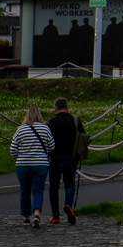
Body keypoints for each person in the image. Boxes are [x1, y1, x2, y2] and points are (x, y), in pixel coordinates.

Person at [10, 106, 55, 227]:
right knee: (38, 190)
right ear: (39, 115)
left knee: (25, 190)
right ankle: (36, 214)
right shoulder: (45, 128)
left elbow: (13, 149)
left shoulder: (20, 129)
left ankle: (25, 217)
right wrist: (45, 156)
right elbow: (52, 146)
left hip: (23, 165)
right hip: (40, 164)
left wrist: (18, 160)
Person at [45, 97, 87, 226]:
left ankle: (55, 216)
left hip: (55, 158)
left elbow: (46, 140)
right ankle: (68, 205)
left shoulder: (50, 123)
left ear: (55, 109)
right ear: (67, 108)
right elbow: (83, 136)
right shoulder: (75, 120)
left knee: (54, 186)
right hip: (71, 157)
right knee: (69, 185)